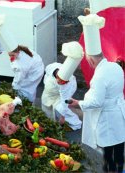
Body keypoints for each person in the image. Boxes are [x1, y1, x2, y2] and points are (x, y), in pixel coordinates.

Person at [68, 14, 125, 172]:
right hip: (119, 115)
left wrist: (78, 103)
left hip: (108, 120)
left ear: (91, 60)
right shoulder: (115, 67)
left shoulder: (99, 76)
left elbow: (97, 102)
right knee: (119, 150)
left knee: (109, 155)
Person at [41, 41, 83, 130]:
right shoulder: (53, 67)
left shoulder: (67, 85)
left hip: (63, 93)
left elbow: (65, 100)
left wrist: (62, 116)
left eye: (64, 82)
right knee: (45, 104)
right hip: (49, 90)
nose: (62, 83)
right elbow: (47, 70)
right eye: (60, 80)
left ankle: (74, 123)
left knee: (59, 107)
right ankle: (49, 121)